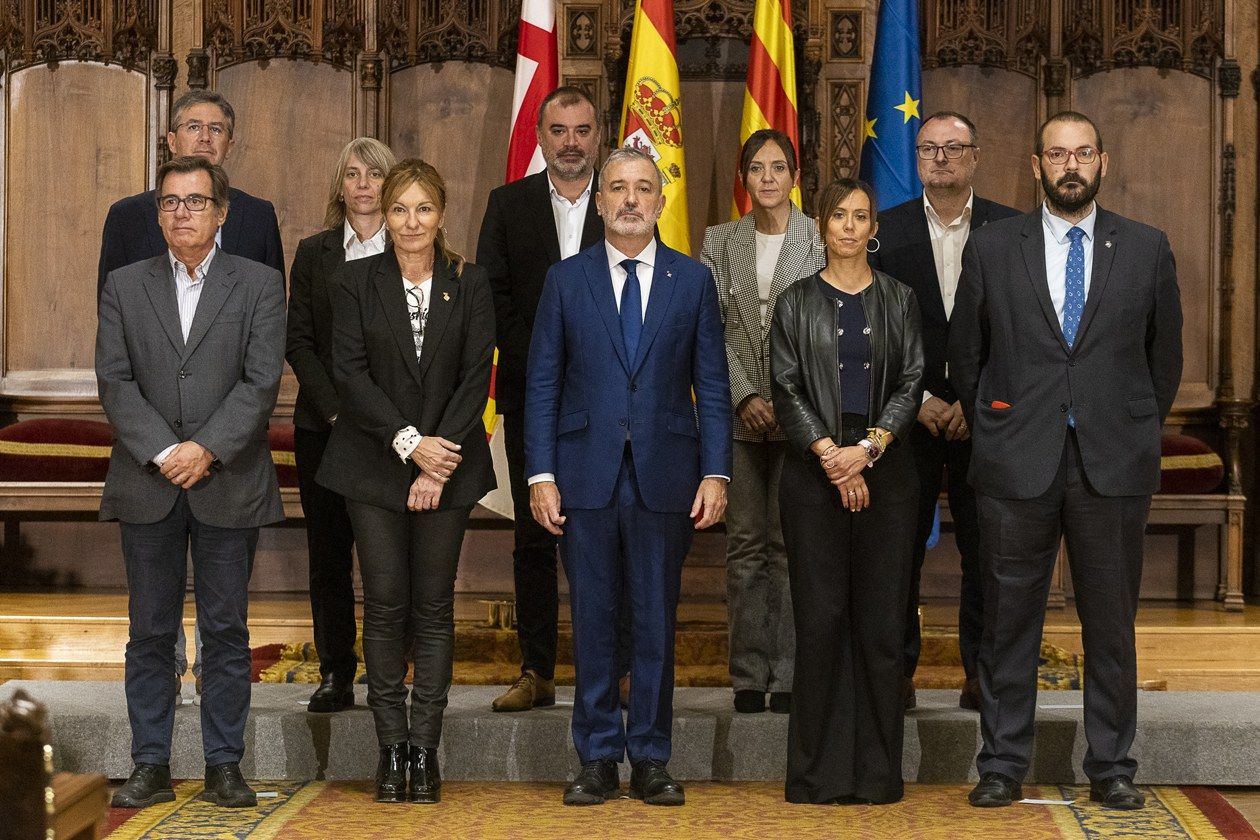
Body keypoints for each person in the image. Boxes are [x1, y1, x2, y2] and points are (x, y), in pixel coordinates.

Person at [949, 112, 1182, 810]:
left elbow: (1163, 358)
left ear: (1103, 163)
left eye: (1083, 153)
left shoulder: (1145, 247)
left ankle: (1112, 764)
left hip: (1111, 464)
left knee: (1109, 624)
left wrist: (1132, 425)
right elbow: (968, 356)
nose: (1070, 165)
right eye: (1058, 154)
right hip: (1018, 461)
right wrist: (996, 429)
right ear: (1035, 164)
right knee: (1008, 621)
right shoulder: (993, 247)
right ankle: (1002, 764)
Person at [525, 147, 731, 806]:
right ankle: (595, 757)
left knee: (653, 623)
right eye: (618, 188)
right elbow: (543, 383)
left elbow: (714, 386)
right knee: (591, 619)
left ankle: (649, 755)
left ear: (661, 201)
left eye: (644, 188)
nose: (631, 200)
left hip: (666, 475)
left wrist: (716, 471)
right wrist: (541, 473)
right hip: (582, 475)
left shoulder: (692, 281)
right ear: (600, 199)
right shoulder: (566, 279)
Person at [98, 155, 286, 809]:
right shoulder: (125, 285)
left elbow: (262, 381)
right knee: (149, 630)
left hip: (226, 478)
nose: (183, 213)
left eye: (196, 201)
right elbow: (115, 382)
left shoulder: (258, 284)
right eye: (171, 202)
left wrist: (205, 448)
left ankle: (223, 765)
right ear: (158, 214)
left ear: (222, 211)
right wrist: (163, 450)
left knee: (226, 630)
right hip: (145, 480)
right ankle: (149, 763)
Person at [317, 159, 495, 804]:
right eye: (399, 210)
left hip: (450, 466)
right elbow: (349, 373)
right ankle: (390, 749)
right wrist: (409, 445)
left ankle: (426, 750)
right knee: (387, 607)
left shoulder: (469, 282)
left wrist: (436, 459)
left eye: (424, 209)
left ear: (442, 214)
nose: (411, 222)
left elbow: (476, 376)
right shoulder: (353, 281)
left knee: (434, 609)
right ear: (382, 216)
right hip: (374, 465)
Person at [477, 86, 633, 713]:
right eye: (559, 130)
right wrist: (548, 361)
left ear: (599, 137)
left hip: (611, 402)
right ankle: (536, 667)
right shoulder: (508, 204)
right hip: (533, 398)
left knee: (609, 533)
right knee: (534, 537)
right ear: (540, 137)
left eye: (582, 130)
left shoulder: (623, 199)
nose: (570, 142)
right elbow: (493, 299)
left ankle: (616, 670)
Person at [771, 178, 924, 805]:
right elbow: (784, 385)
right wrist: (831, 454)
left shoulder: (901, 298)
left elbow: (913, 379)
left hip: (888, 474)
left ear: (874, 228)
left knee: (883, 626)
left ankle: (877, 775)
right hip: (813, 477)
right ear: (822, 224)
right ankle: (817, 775)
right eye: (839, 215)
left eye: (862, 216)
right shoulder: (795, 301)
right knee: (823, 620)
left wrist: (869, 449)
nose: (850, 227)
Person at [868, 111, 1019, 711]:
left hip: (987, 418)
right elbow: (874, 329)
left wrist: (972, 400)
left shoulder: (1011, 230)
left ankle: (981, 674)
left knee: (986, 552)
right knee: (898, 548)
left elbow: (1019, 332)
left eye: (954, 148)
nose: (941, 159)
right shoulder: (885, 231)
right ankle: (896, 673)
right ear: (917, 158)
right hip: (909, 418)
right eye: (929, 148)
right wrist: (924, 399)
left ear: (975, 156)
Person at [700, 129, 825, 715]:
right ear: (744, 179)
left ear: (795, 176)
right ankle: (749, 675)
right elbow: (715, 325)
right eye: (757, 168)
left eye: (779, 167)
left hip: (805, 418)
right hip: (738, 416)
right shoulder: (720, 241)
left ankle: (795, 673)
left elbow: (824, 327)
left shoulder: (821, 239)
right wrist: (748, 393)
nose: (769, 178)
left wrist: (784, 398)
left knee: (791, 547)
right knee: (746, 547)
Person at [286, 137, 397, 713]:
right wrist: (335, 412)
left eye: (373, 174)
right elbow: (299, 343)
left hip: (392, 433)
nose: (362, 185)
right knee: (329, 554)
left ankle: (389, 674)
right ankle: (335, 672)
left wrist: (383, 421)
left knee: (388, 556)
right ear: (340, 185)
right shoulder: (314, 252)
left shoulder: (410, 249)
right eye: (351, 174)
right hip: (324, 428)